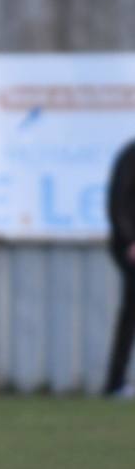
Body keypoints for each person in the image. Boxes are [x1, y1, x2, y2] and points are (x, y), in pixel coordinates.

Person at [104, 141, 135, 398]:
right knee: (130, 314)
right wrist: (130, 240)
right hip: (130, 248)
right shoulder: (130, 157)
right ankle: (115, 383)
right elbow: (118, 201)